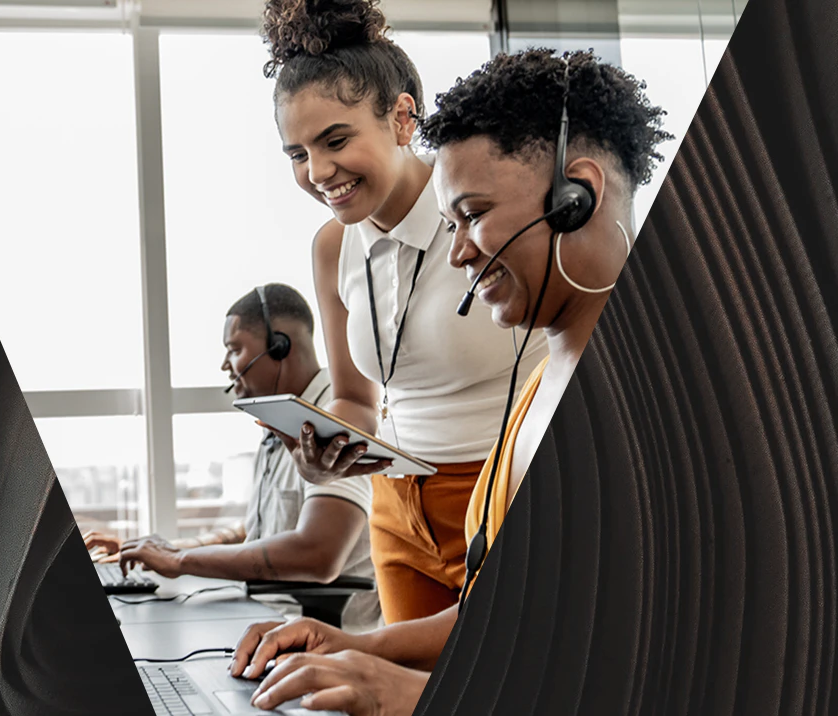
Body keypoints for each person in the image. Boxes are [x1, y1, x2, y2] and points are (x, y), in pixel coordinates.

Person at [227, 49, 670, 715]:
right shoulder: (538, 391)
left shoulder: (649, 410)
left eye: (472, 214)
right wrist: (356, 645)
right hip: (403, 509)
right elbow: (498, 623)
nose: (457, 249)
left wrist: (413, 696)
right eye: (451, 221)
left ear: (574, 199)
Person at [259, 0, 549, 624]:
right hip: (396, 510)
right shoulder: (333, 246)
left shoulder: (479, 217)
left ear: (400, 118)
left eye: (335, 140)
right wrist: (321, 450)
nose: (318, 172)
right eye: (297, 153)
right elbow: (357, 400)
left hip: (499, 492)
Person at [86, 284, 381, 630]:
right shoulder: (279, 423)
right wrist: (161, 550)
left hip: (314, 635)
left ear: (278, 345)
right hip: (264, 615)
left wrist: (180, 560)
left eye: (235, 349)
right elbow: (260, 531)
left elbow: (318, 553)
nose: (226, 365)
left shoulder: (333, 420)